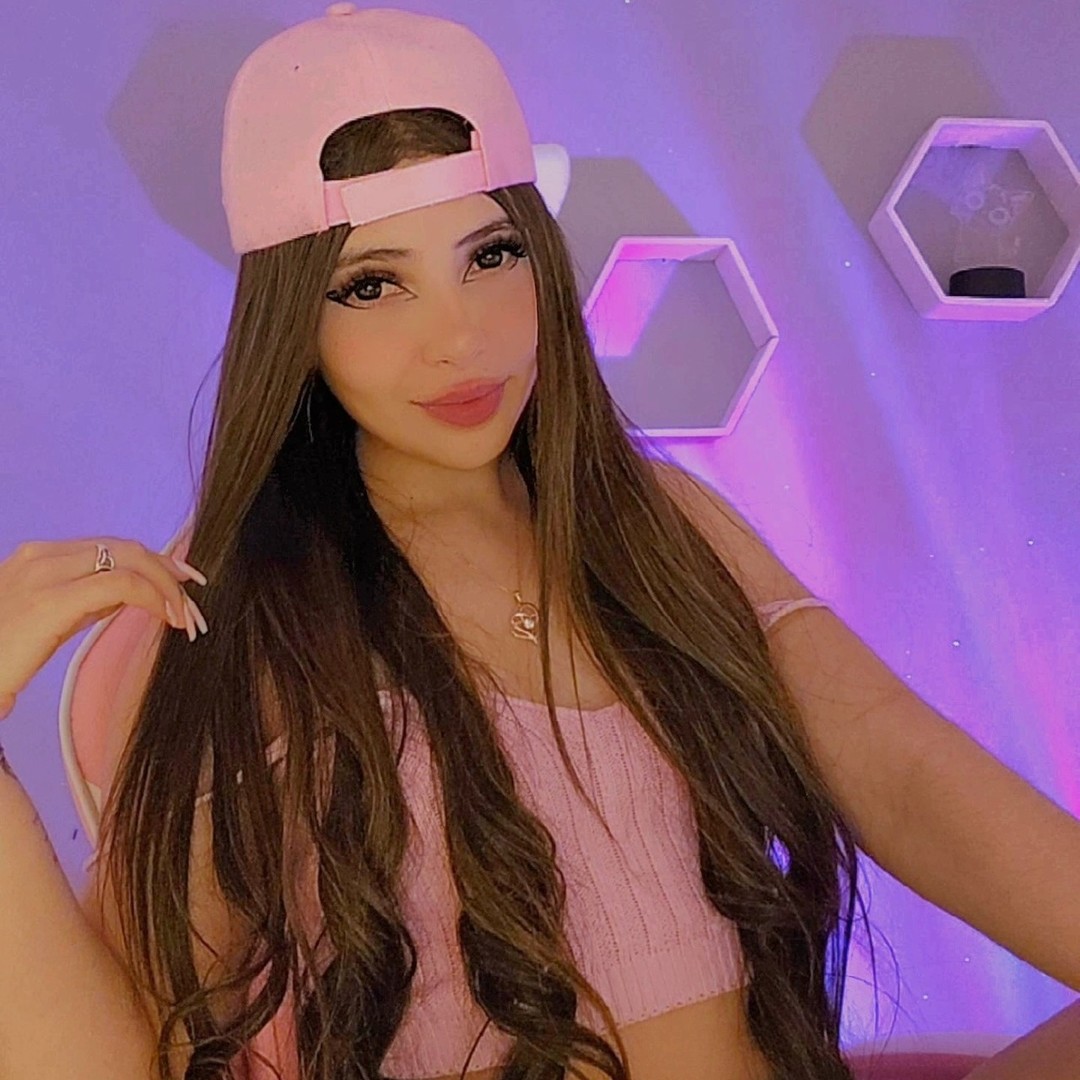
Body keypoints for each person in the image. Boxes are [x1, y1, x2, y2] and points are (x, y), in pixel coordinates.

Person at [0, 5, 1077, 1080]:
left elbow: (902, 775)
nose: (460, 337)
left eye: (491, 254)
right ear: (294, 324)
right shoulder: (249, 620)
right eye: (373, 284)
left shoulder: (657, 524)